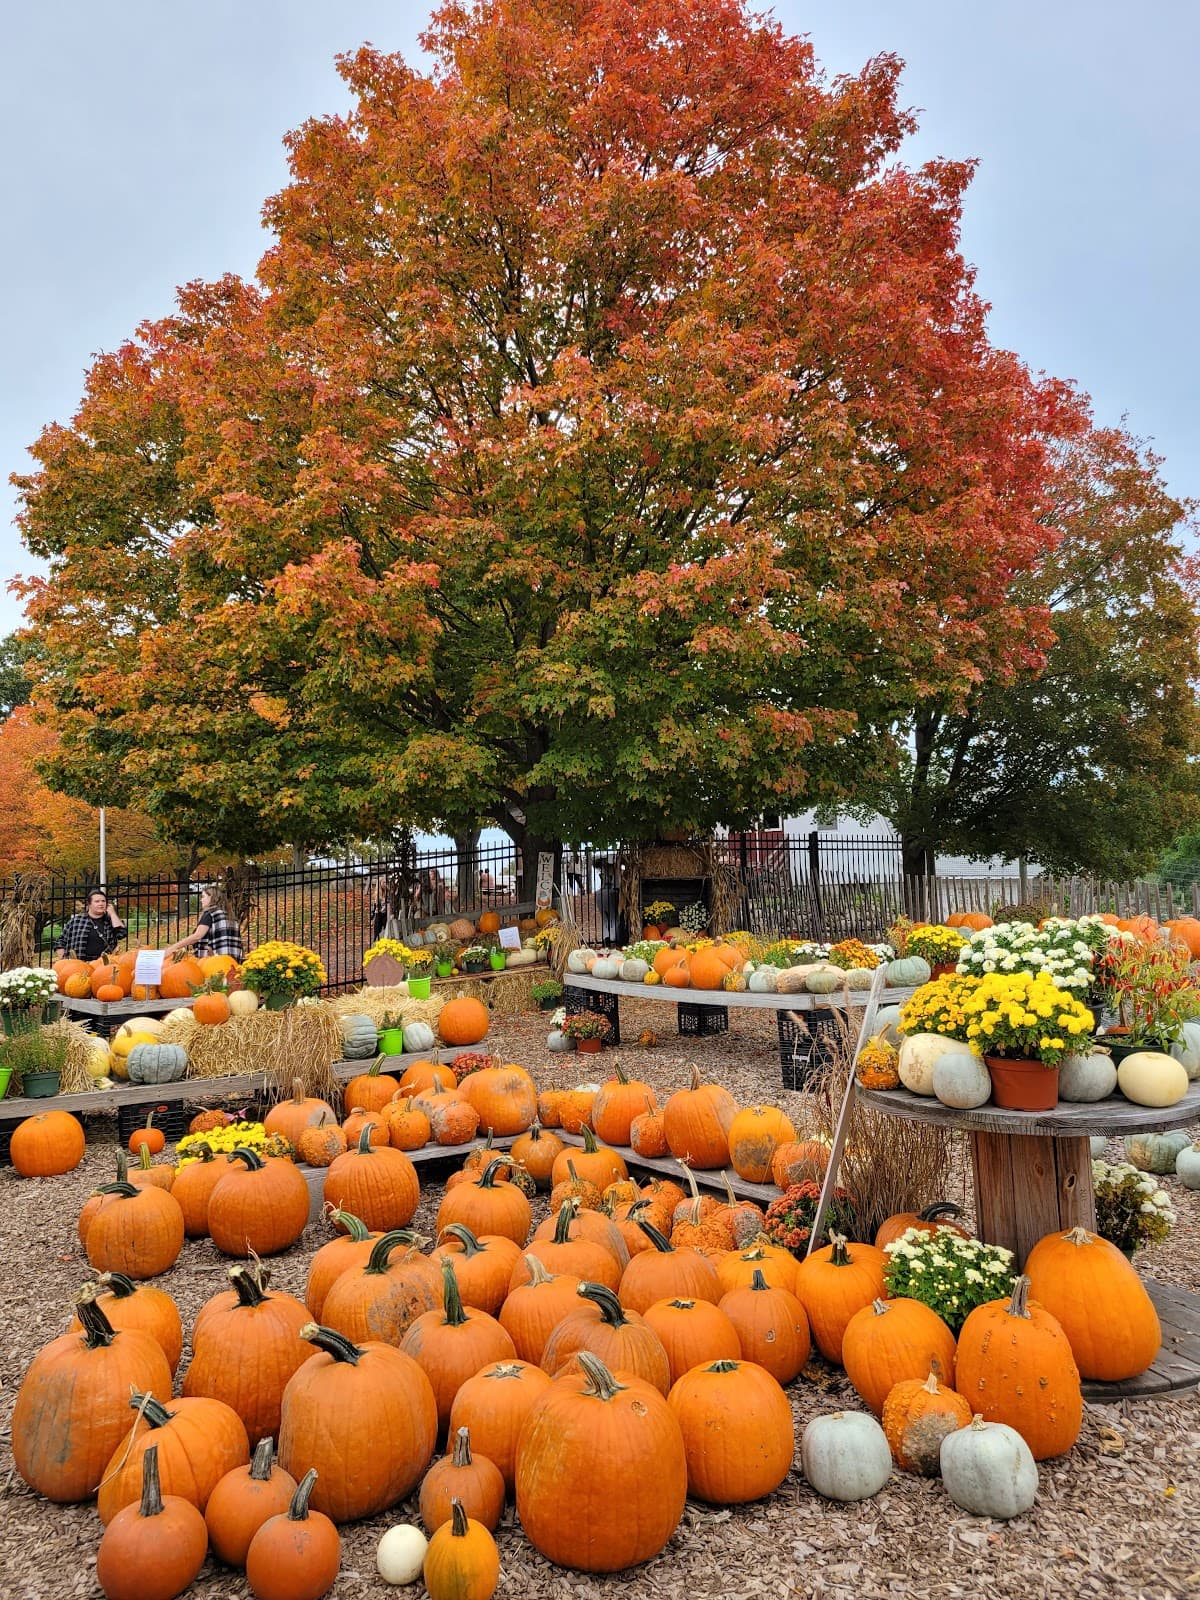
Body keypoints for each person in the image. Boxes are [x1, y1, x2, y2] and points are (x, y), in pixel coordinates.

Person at [164, 886, 244, 962]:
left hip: (214, 962)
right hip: (233, 960)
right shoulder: (230, 916)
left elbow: (197, 936)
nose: (201, 900)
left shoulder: (209, 914)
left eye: (203, 896)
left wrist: (173, 948)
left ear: (212, 897)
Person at [55, 888, 126, 962]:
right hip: (78, 964)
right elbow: (60, 941)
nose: (101, 904)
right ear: (89, 904)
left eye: (103, 901)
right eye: (97, 901)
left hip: (102, 965)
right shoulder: (76, 920)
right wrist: (62, 959)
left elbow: (122, 934)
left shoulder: (110, 920)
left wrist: (112, 913)